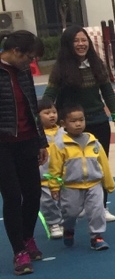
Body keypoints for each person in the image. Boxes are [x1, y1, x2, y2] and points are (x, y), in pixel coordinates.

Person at [46, 25, 115, 221]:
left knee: (98, 165)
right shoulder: (61, 68)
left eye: (84, 40)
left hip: (98, 121)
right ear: (68, 44)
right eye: (76, 41)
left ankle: (100, 207)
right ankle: (74, 205)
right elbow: (50, 94)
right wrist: (44, 115)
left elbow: (107, 91)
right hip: (70, 126)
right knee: (71, 167)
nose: (81, 44)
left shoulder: (96, 64)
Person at [0, 30, 44, 275]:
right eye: (28, 57)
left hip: (27, 140)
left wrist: (41, 141)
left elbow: (33, 107)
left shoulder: (24, 72)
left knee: (33, 193)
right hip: (3, 144)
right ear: (16, 52)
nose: (31, 62)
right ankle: (19, 250)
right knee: (12, 196)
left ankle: (28, 237)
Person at [48, 105, 115, 250]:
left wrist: (108, 183)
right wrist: (54, 186)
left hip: (94, 183)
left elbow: (103, 163)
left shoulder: (93, 142)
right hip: (71, 186)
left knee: (97, 210)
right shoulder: (60, 145)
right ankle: (68, 228)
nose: (78, 124)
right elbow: (54, 167)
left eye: (81, 120)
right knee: (70, 212)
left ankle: (96, 236)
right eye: (73, 121)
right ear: (63, 124)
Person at [37, 96, 62, 239]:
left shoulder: (63, 132)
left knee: (64, 200)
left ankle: (64, 220)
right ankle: (54, 223)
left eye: (54, 112)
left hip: (63, 175)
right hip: (45, 176)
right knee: (48, 201)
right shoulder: (37, 136)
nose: (52, 115)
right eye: (47, 113)